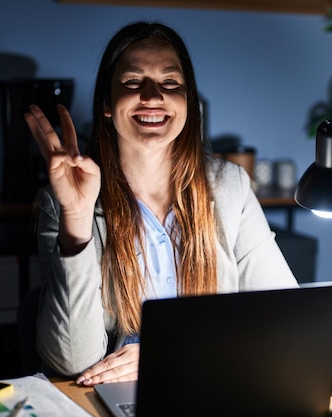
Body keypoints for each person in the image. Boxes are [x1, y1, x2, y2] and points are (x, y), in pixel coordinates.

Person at [24, 21, 299, 386]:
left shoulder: (229, 187)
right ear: (107, 104)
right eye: (133, 82)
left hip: (212, 384)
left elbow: (288, 321)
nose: (153, 96)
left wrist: (171, 353)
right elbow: (72, 362)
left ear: (188, 102)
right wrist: (76, 219)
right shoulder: (59, 204)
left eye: (170, 83)